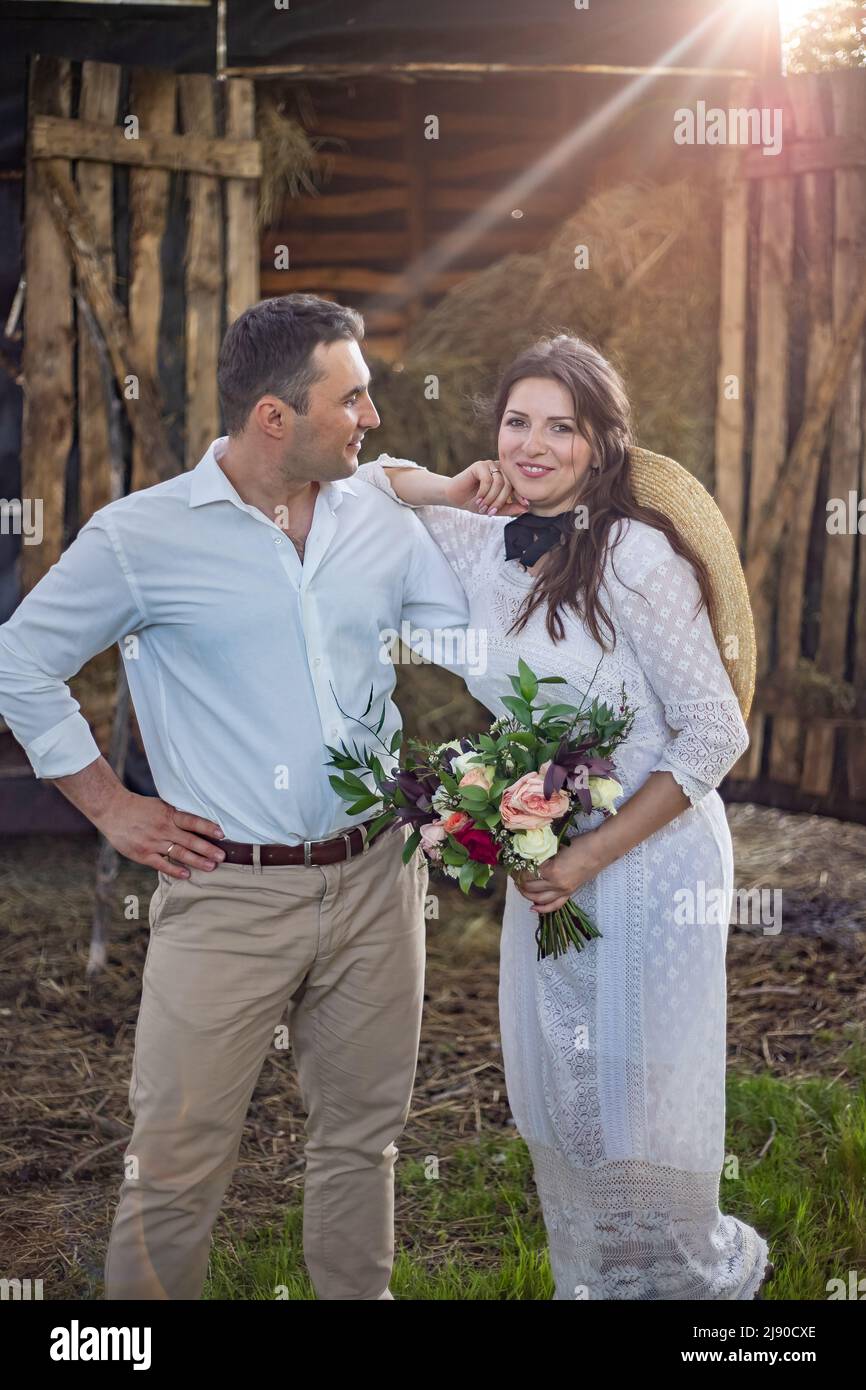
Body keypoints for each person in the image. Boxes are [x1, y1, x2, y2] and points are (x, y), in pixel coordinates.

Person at [0, 294, 470, 1301]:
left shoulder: (378, 515)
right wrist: (110, 805)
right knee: (172, 1163)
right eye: (351, 398)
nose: (371, 417)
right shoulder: (143, 536)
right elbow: (19, 661)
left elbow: (467, 637)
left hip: (378, 883)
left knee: (361, 1138)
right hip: (225, 894)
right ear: (273, 417)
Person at [355, 333, 773, 1300]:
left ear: (603, 444)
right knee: (568, 1078)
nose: (533, 447)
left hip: (653, 846)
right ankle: (597, 1278)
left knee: (644, 1087)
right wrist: (448, 489)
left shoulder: (634, 556)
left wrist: (587, 861)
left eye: (562, 428)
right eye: (517, 422)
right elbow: (368, 481)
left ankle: (692, 1279)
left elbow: (715, 735)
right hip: (546, 847)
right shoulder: (470, 531)